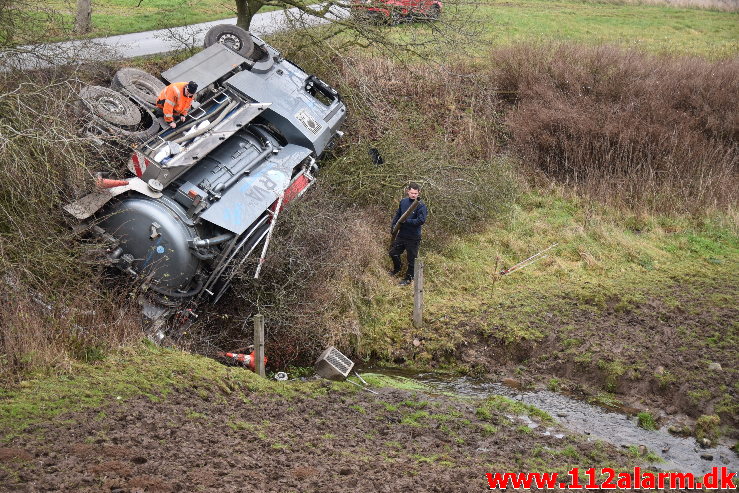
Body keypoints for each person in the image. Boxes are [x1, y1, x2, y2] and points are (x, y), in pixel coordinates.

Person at [389, 182, 428, 286]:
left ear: (419, 193)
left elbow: (421, 220)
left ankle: (408, 279)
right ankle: (397, 268)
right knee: (393, 253)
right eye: (412, 193)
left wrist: (407, 221)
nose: (413, 195)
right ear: (408, 192)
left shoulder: (421, 205)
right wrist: (393, 226)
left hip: (413, 237)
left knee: (412, 259)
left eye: (415, 193)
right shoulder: (403, 202)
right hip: (402, 235)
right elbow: (398, 215)